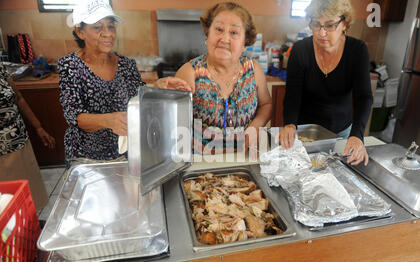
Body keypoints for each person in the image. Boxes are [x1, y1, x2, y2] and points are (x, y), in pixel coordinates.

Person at [155, 2, 273, 153]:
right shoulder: (190, 72)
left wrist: (257, 124)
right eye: (218, 29)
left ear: (245, 43)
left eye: (234, 33)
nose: (224, 39)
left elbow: (266, 105)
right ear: (207, 34)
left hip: (244, 157)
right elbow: (170, 123)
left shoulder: (254, 70)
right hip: (202, 162)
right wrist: (161, 95)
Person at [278, 0, 373, 166]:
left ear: (345, 23)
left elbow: (363, 97)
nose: (321, 33)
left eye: (330, 25)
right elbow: (293, 95)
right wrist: (290, 124)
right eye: (316, 24)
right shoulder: (300, 50)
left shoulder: (357, 50)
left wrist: (357, 135)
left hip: (342, 134)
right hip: (305, 133)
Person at [58, 0, 145, 167]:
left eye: (111, 26)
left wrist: (160, 87)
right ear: (80, 31)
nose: (108, 33)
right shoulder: (70, 66)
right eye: (98, 27)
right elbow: (74, 117)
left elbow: (139, 99)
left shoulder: (127, 65)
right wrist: (109, 120)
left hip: (125, 154)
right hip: (86, 157)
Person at [0, 62, 54, 211]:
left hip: (19, 140)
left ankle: (30, 224)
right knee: (8, 203)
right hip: (2, 153)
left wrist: (38, 127)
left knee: (29, 193)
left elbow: (19, 98)